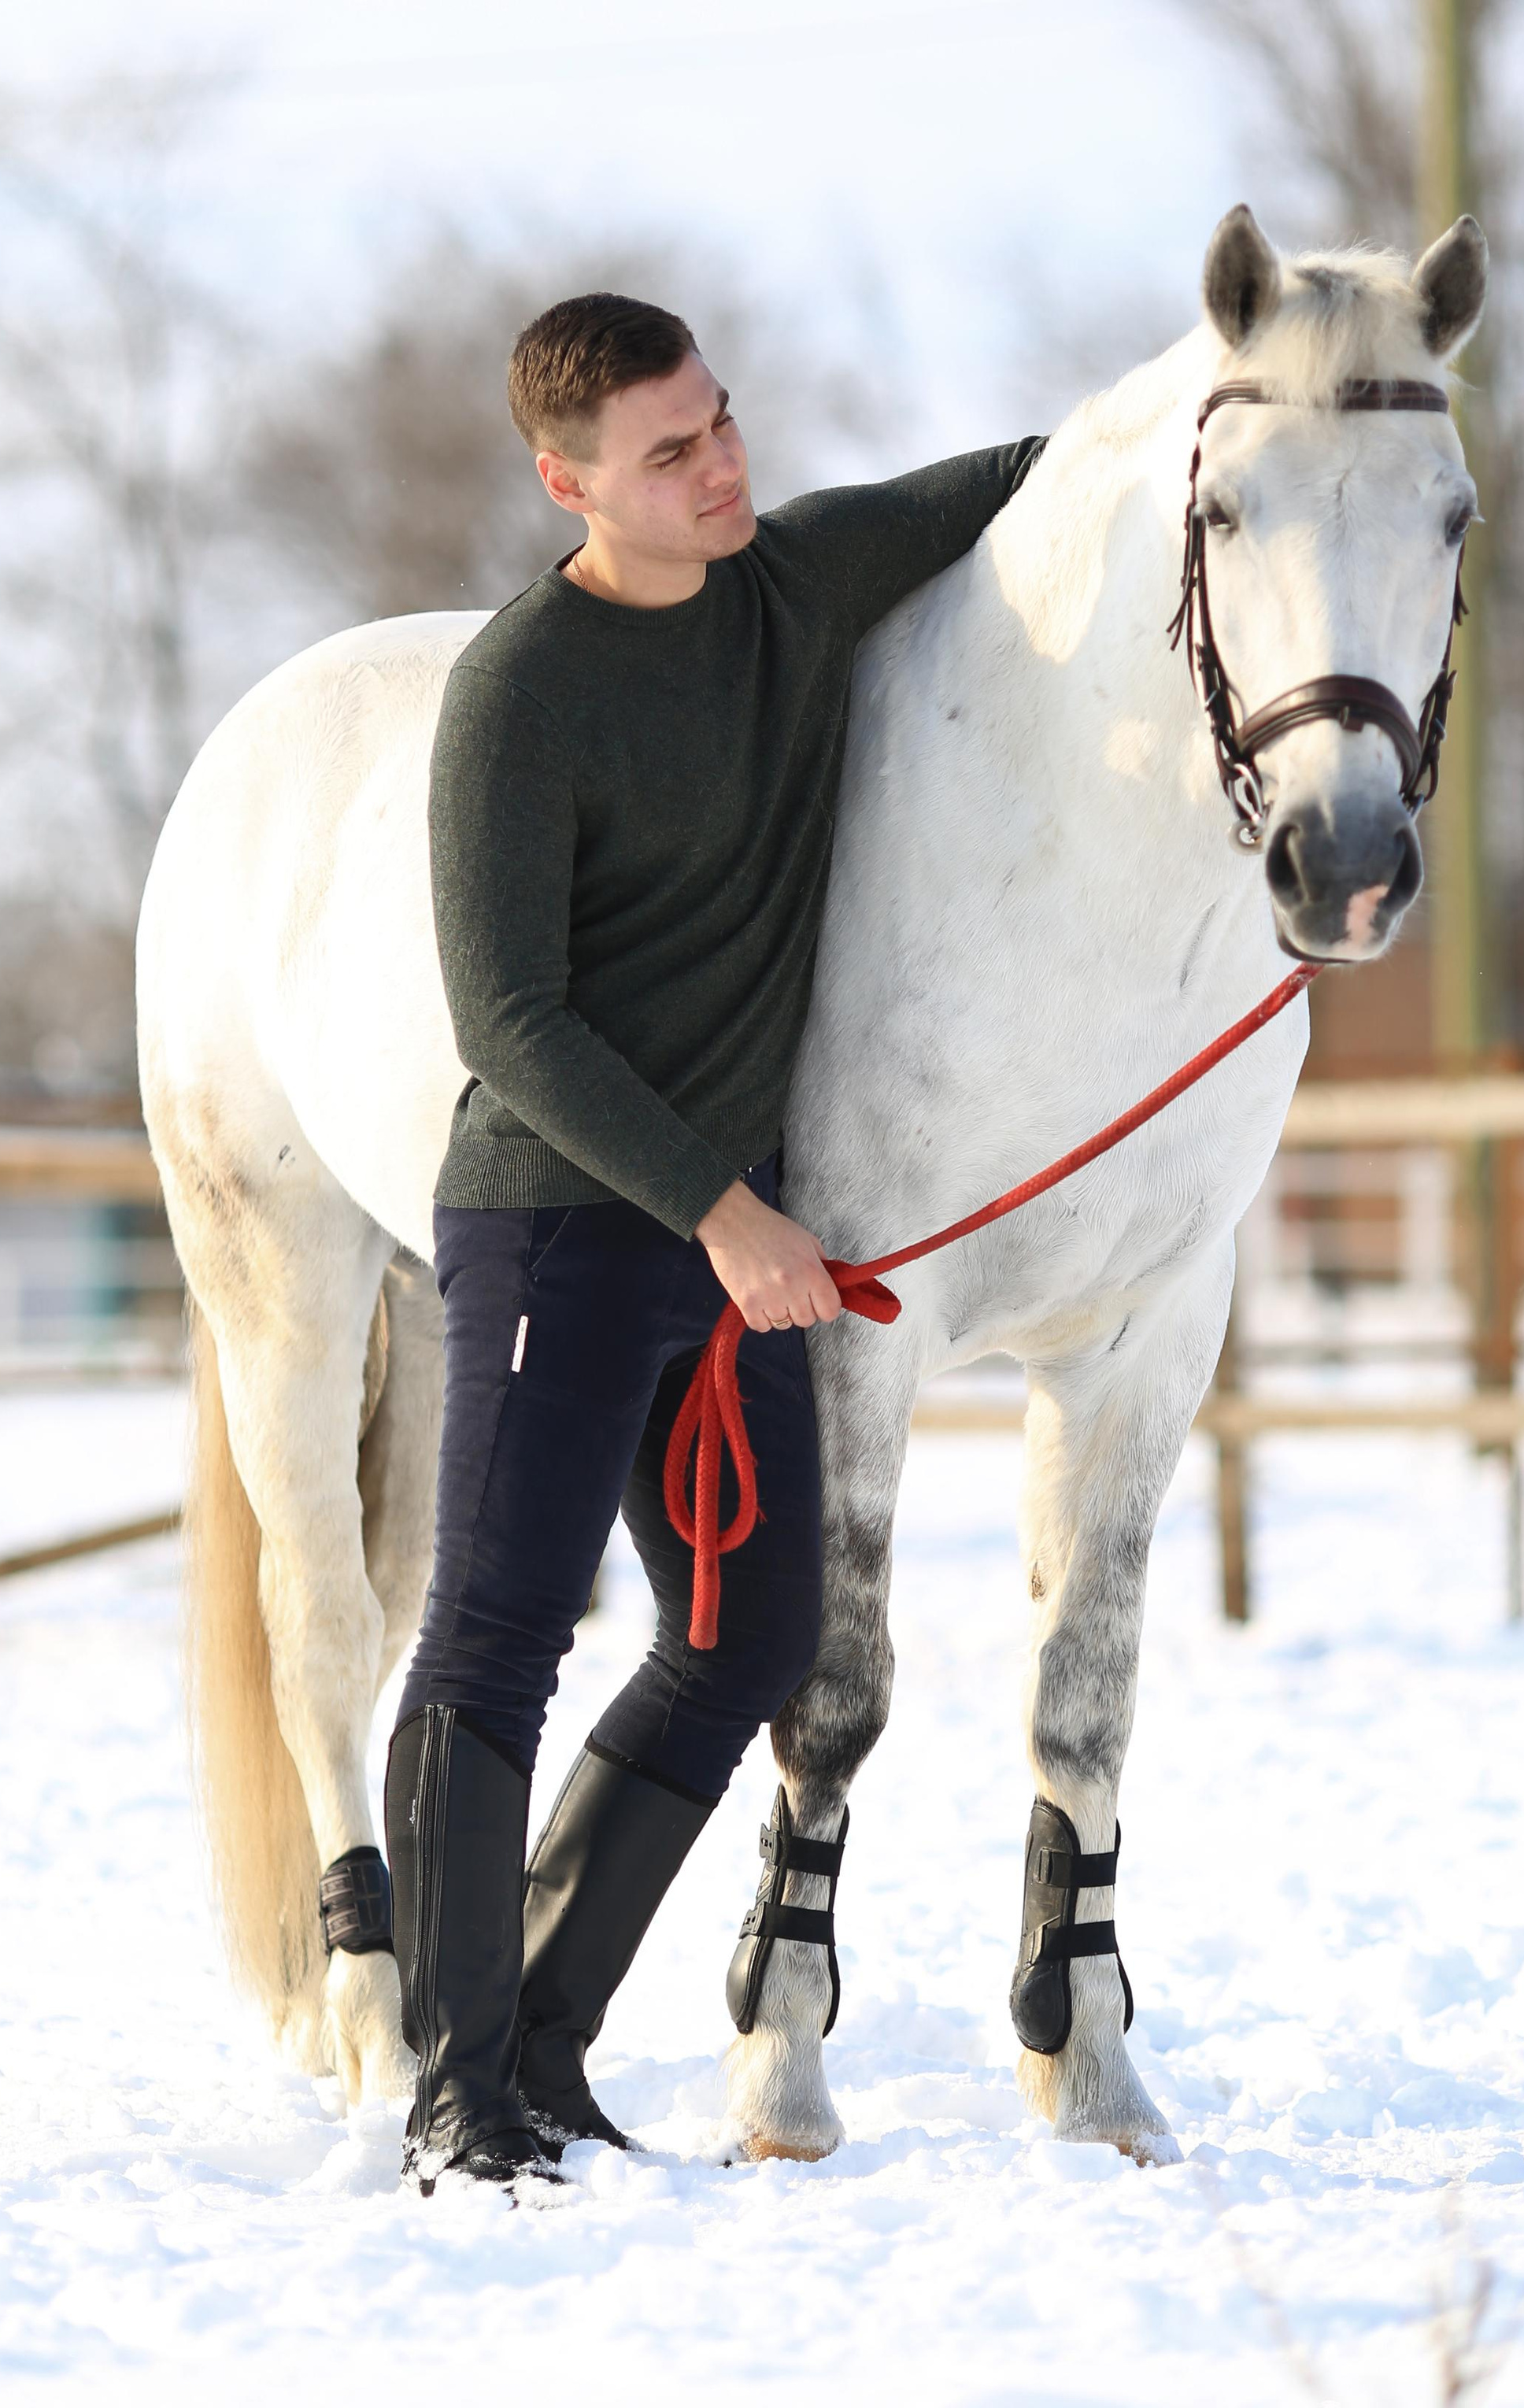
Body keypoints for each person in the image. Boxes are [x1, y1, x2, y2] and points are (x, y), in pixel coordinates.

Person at [386, 292, 1043, 2191]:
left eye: (722, 420)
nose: (719, 465)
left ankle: (539, 2041)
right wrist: (727, 1210)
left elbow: (1040, 475)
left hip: (723, 1248)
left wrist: (1246, 405)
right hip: (556, 1230)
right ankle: (454, 2088)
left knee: (749, 1636)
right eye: (668, 451)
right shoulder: (521, 694)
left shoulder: (797, 582)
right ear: (568, 482)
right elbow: (509, 1020)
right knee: (494, 1641)